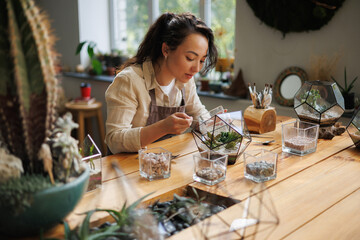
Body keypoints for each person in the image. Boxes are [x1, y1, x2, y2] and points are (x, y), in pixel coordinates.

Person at [105, 12, 218, 154]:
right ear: (166, 49)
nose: (196, 69)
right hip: (129, 168)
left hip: (166, 164)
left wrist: (213, 124)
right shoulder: (129, 81)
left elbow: (198, 112)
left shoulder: (185, 79)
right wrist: (163, 127)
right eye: (190, 58)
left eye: (201, 61)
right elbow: (114, 140)